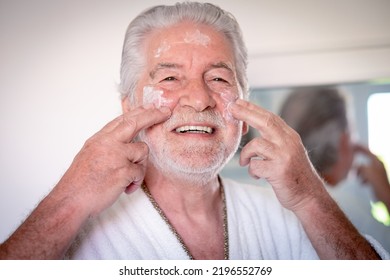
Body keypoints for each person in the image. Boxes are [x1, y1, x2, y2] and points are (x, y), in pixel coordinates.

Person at [0, 2, 388, 260]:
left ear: (243, 102)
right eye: (169, 77)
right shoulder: (77, 228)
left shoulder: (289, 216)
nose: (199, 99)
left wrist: (310, 198)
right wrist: (68, 200)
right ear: (129, 106)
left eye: (218, 77)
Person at [279, 86, 390, 251]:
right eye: (352, 132)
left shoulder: (274, 196)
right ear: (343, 140)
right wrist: (386, 194)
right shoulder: (346, 209)